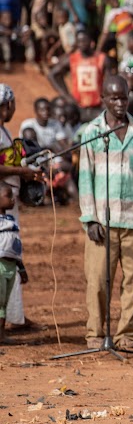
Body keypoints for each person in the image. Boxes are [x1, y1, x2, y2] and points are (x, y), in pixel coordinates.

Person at [77, 75, 133, 350]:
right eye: (113, 98)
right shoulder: (92, 132)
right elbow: (85, 177)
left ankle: (127, 334)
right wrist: (89, 218)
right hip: (102, 219)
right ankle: (95, 333)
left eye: (123, 97)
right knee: (98, 280)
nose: (120, 103)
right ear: (103, 99)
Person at [0, 86, 45, 332]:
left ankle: (14, 316)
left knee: (11, 255)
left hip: (9, 205)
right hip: (2, 208)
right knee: (5, 257)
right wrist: (23, 172)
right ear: (6, 105)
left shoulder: (4, 132)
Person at [0, 183, 26, 344]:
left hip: (11, 266)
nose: (13, 199)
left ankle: (1, 334)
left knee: (4, 302)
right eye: (8, 196)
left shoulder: (11, 221)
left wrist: (21, 268)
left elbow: (15, 247)